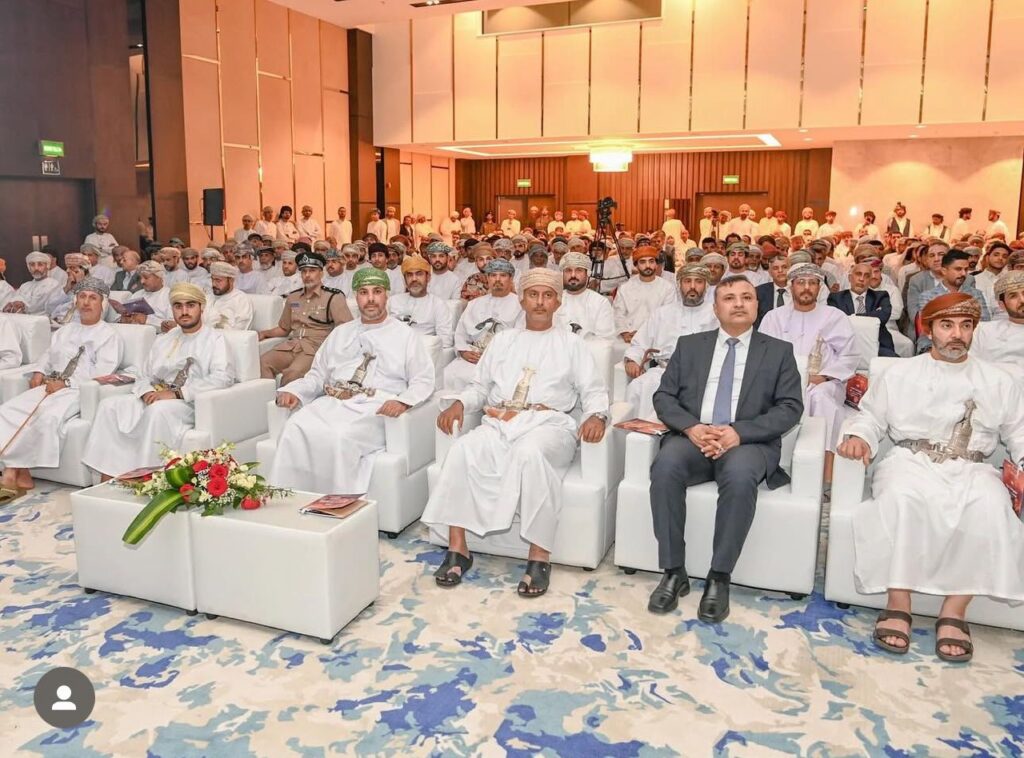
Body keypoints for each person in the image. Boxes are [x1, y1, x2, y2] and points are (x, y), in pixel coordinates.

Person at [837, 293, 1024, 662]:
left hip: (972, 466)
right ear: (928, 329)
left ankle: (954, 611)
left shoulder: (999, 380)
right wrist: (859, 436)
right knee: (902, 498)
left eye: (966, 326)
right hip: (911, 460)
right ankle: (898, 602)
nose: (957, 334)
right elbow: (871, 417)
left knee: (990, 504)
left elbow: (1018, 431)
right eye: (947, 325)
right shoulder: (900, 373)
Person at [423, 267, 609, 596]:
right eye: (533, 295)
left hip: (550, 426)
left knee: (528, 453)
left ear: (558, 302)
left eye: (547, 296)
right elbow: (480, 387)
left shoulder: (572, 344)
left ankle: (539, 556)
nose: (540, 302)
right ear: (521, 300)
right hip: (501, 422)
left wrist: (597, 415)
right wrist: (461, 403)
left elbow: (593, 390)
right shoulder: (503, 341)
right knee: (463, 450)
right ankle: (458, 549)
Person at [647, 276, 803, 619]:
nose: (739, 304)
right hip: (694, 437)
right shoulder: (690, 346)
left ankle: (719, 576)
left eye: (747, 297)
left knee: (740, 474)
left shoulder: (779, 351)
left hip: (748, 442)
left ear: (757, 305)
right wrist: (691, 428)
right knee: (665, 466)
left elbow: (790, 408)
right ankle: (673, 571)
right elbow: (664, 397)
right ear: (715, 308)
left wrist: (738, 433)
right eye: (729, 298)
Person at [268, 267, 435, 495]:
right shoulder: (341, 333)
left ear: (387, 295)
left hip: (375, 407)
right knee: (294, 426)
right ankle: (290, 498)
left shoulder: (405, 335)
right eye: (364, 292)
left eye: (377, 292)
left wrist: (403, 402)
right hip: (333, 402)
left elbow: (423, 379)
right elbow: (317, 375)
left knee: (340, 436)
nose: (371, 299)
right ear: (356, 297)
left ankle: (336, 504)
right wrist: (295, 391)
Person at [82, 283, 235, 478]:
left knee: (157, 411)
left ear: (201, 308)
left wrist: (177, 393)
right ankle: (108, 474)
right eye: (178, 306)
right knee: (109, 406)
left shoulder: (215, 339)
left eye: (190, 305)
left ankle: (145, 477)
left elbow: (223, 377)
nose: (184, 311)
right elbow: (144, 373)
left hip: (190, 402)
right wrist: (146, 391)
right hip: (157, 394)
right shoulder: (165, 339)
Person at [0, 278, 124, 493]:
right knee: (8, 410)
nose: (86, 302)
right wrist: (39, 371)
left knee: (46, 416)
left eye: (92, 298)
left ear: (102, 304)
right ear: (76, 301)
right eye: (82, 297)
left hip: (77, 391)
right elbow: (48, 355)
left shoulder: (109, 335)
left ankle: (11, 471)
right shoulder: (66, 330)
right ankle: (22, 473)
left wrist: (66, 383)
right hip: (50, 385)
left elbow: (102, 373)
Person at [760, 264, 859, 456]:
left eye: (812, 283)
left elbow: (849, 356)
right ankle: (780, 458)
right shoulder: (774, 317)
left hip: (824, 382)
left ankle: (825, 460)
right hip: (782, 382)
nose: (807, 288)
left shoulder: (835, 316)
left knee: (820, 397)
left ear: (819, 288)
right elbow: (763, 356)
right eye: (801, 282)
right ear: (791, 287)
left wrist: (822, 377)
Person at [625, 263, 719, 421]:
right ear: (679, 285)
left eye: (698, 281)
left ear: (706, 286)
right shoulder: (662, 313)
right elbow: (640, 343)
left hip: (703, 374)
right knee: (638, 387)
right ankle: (640, 434)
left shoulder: (716, 313)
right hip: (664, 372)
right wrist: (631, 360)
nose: (692, 287)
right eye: (687, 281)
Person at [259, 251, 352, 385]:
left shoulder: (333, 297)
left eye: (312, 271)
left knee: (293, 373)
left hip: (316, 348)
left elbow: (345, 330)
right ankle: (269, 397)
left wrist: (331, 352)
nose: (307, 275)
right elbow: (284, 329)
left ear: (321, 273)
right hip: (293, 345)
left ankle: (284, 398)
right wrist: (263, 333)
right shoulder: (293, 297)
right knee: (263, 362)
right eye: (304, 271)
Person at [443, 259, 523, 391]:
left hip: (501, 360)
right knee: (449, 375)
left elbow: (520, 340)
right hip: (473, 356)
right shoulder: (474, 304)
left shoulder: (520, 306)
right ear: (487, 278)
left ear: (511, 279)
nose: (497, 279)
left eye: (503, 275)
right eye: (493, 275)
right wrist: (463, 351)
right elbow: (461, 333)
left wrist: (492, 356)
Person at [915, 249, 991, 352]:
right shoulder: (928, 296)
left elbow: (984, 324)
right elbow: (928, 328)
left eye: (966, 269)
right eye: (958, 269)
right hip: (934, 344)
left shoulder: (975, 295)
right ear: (944, 271)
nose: (963, 273)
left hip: (971, 343)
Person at [828, 261, 896, 357]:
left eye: (867, 276)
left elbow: (883, 316)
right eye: (858, 274)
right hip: (846, 345)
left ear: (870, 280)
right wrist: (872, 315)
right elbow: (837, 322)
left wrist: (852, 317)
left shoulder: (881, 296)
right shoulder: (836, 298)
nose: (861, 279)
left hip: (878, 344)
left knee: (894, 361)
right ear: (850, 278)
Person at [387, 255, 454, 348]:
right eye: (409, 275)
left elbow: (445, 341)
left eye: (419, 274)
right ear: (404, 280)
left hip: (424, 351)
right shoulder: (393, 301)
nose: (414, 279)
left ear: (428, 277)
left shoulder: (438, 304)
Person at [612, 246, 675, 343]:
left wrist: (644, 334)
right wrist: (624, 332)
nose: (647, 265)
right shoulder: (625, 287)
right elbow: (617, 314)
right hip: (628, 336)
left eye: (651, 261)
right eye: (642, 262)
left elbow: (668, 317)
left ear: (656, 264)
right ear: (636, 265)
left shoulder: (668, 288)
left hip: (656, 336)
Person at [970, 271, 1024, 381]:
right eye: (1013, 296)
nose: (1022, 300)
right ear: (1002, 305)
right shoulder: (984, 331)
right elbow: (971, 367)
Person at [553, 252, 616, 339]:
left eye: (579, 270)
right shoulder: (554, 300)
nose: (573, 275)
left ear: (587, 274)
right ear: (562, 274)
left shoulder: (600, 302)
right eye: (568, 270)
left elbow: (605, 339)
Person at [117, 260, 174, 332]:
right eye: (140, 278)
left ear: (159, 277)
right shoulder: (137, 294)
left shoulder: (170, 295)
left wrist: (147, 320)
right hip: (133, 332)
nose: (142, 281)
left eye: (146, 278)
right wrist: (124, 319)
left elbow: (173, 325)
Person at [205, 262, 253, 330]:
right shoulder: (208, 298)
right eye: (212, 279)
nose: (213, 284)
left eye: (218, 280)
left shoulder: (241, 300)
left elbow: (241, 329)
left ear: (231, 280)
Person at [754, 255, 791, 329]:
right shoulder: (759, 292)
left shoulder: (798, 291)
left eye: (784, 267)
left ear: (790, 269)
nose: (780, 271)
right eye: (775, 268)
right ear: (770, 272)